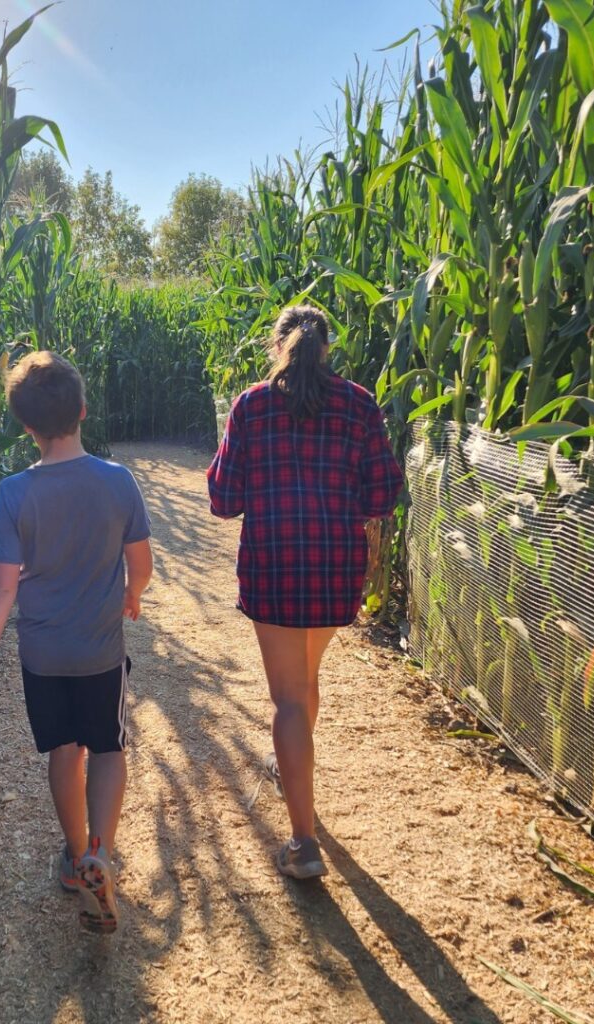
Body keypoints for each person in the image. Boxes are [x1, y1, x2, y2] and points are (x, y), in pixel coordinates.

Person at [207, 305, 402, 880]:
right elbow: (383, 494)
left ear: (277, 346)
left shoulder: (251, 405)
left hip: (274, 567)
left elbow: (223, 501)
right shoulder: (359, 403)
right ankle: (297, 769)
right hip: (334, 567)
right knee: (305, 682)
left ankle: (302, 842)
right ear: (327, 347)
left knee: (289, 699)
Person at [0, 351, 153, 933]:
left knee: (63, 752)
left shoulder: (14, 493)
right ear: (83, 409)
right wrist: (133, 595)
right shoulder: (118, 482)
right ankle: (101, 847)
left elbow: (1, 587)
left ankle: (75, 860)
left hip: (44, 659)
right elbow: (141, 563)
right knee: (107, 748)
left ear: (26, 426)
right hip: (100, 654)